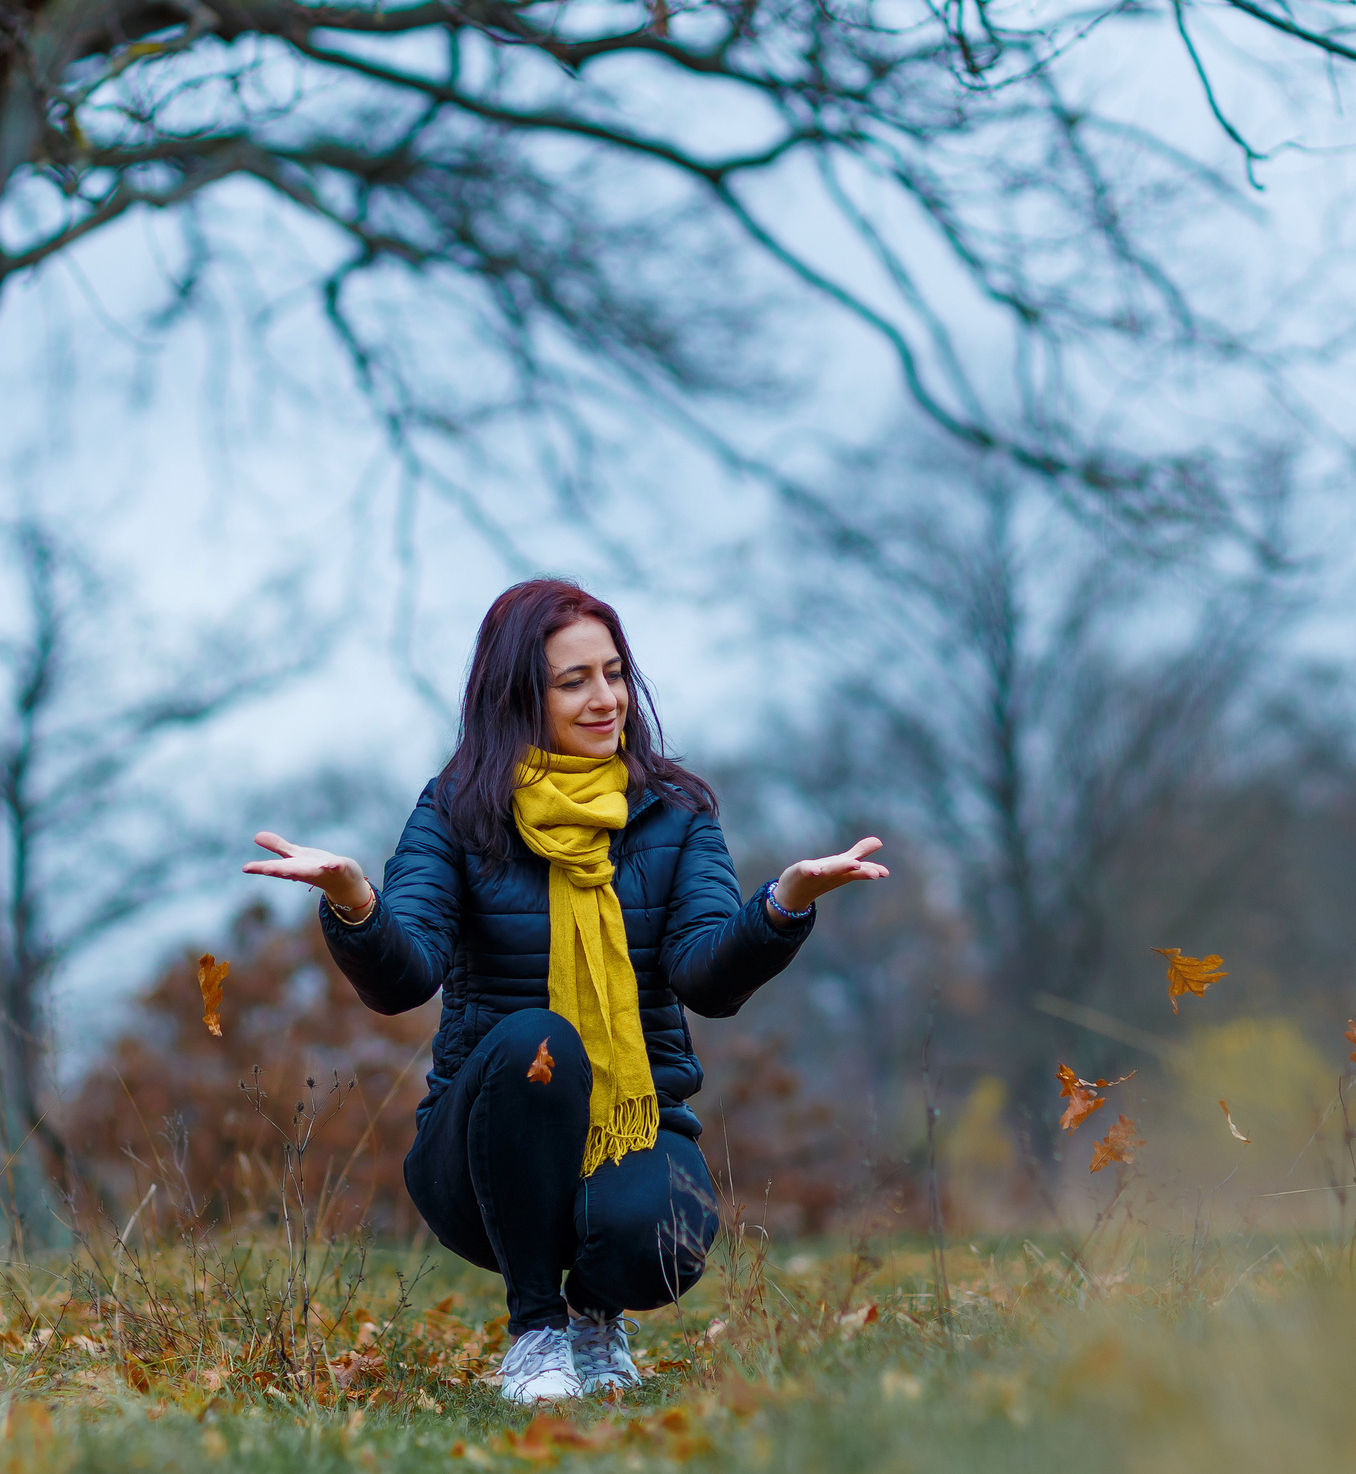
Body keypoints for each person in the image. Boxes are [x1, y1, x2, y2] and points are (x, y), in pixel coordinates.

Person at [244, 579, 888, 1403]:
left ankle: (596, 1316)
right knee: (535, 1040)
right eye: (573, 680)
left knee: (667, 1236)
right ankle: (537, 1332)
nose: (604, 698)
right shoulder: (458, 811)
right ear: (519, 693)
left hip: (634, 1124)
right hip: (479, 1154)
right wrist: (355, 902)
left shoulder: (675, 813)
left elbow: (705, 979)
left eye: (613, 673)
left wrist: (781, 904)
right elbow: (405, 979)